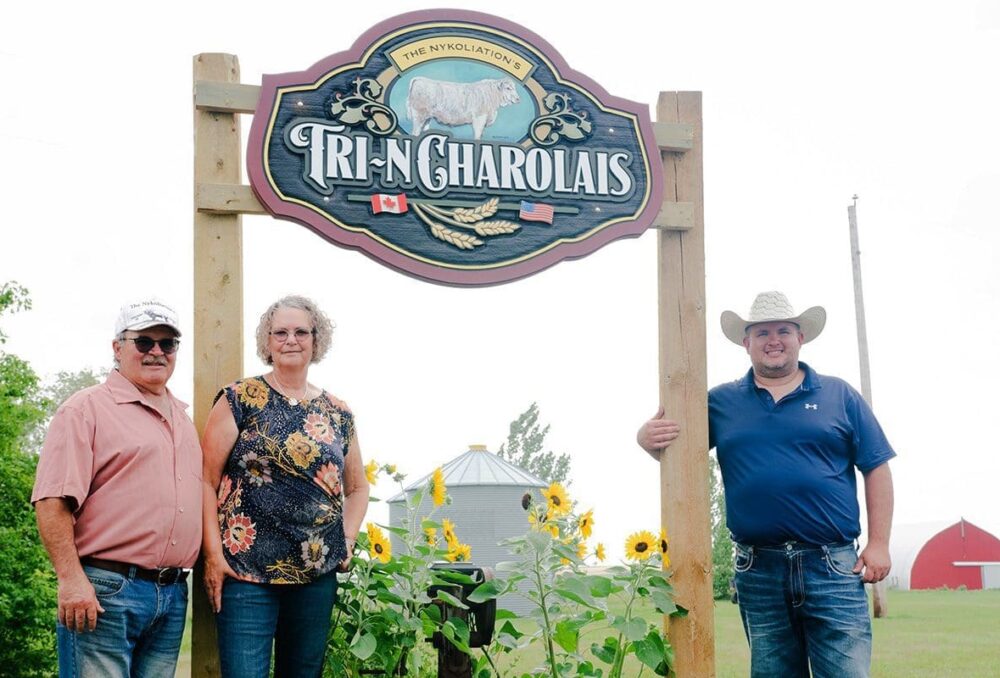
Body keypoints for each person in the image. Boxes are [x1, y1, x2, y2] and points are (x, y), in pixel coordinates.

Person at [637, 290, 895, 678]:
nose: (773, 340)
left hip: (834, 566)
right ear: (746, 343)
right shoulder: (720, 403)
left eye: (783, 331)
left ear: (800, 338)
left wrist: (879, 544)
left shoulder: (839, 395)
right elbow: (676, 449)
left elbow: (876, 467)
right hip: (759, 568)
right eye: (762, 333)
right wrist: (646, 438)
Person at [201, 295, 370, 677]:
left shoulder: (338, 413)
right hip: (246, 573)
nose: (290, 339)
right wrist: (214, 556)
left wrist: (347, 538)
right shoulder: (239, 399)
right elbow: (205, 480)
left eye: (301, 332)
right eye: (280, 332)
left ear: (316, 340)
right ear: (267, 341)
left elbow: (358, 488)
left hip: (315, 575)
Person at [32, 298, 201, 677]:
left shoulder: (184, 420)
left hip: (171, 594)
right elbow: (51, 500)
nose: (156, 352)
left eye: (167, 343)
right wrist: (71, 580)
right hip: (105, 590)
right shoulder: (85, 409)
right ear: (117, 347)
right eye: (144, 342)